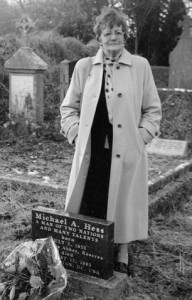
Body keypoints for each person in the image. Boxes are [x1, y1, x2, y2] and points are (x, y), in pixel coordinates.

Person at [60, 7, 162, 275]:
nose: (113, 36)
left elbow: (153, 110)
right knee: (92, 194)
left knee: (123, 199)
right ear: (99, 38)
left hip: (126, 149)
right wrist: (75, 135)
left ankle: (123, 250)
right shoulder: (84, 67)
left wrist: (140, 138)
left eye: (119, 32)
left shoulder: (140, 66)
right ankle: (90, 245)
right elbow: (68, 107)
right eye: (108, 32)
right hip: (91, 149)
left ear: (125, 37)